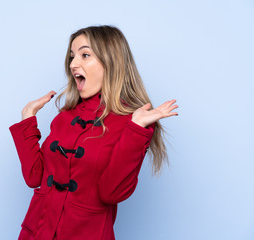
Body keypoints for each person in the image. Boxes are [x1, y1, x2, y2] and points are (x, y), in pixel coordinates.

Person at [9, 25, 178, 240]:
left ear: (111, 62)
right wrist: (27, 118)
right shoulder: (65, 117)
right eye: (72, 56)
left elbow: (112, 193)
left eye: (85, 55)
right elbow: (34, 177)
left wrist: (135, 130)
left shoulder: (133, 122)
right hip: (36, 232)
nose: (73, 64)